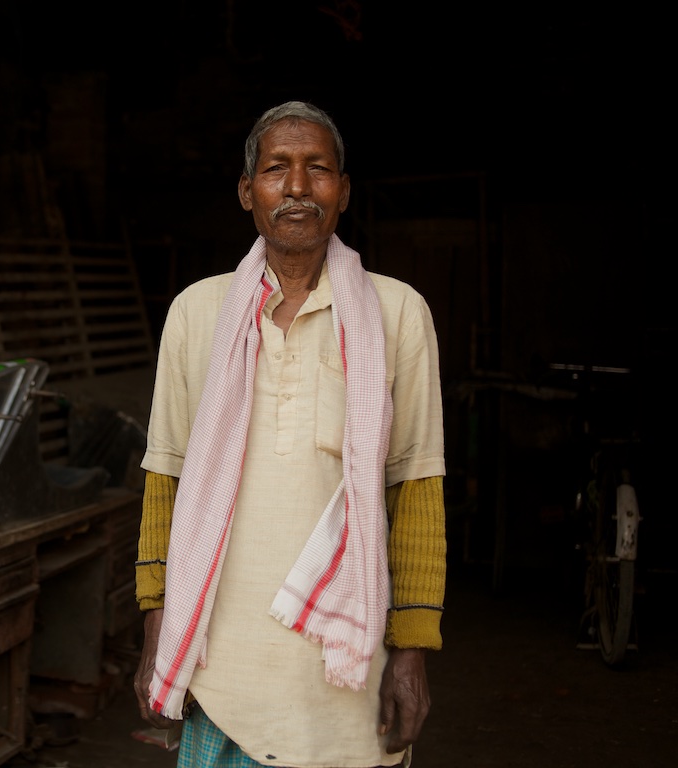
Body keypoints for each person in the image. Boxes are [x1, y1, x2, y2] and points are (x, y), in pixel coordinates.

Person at [132, 100, 447, 768]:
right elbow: (166, 479)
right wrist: (157, 622)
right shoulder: (197, 312)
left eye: (318, 169)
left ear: (344, 191)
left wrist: (412, 650)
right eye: (277, 168)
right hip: (222, 667)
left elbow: (416, 488)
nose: (298, 186)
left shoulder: (398, 313)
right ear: (248, 192)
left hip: (344, 674)